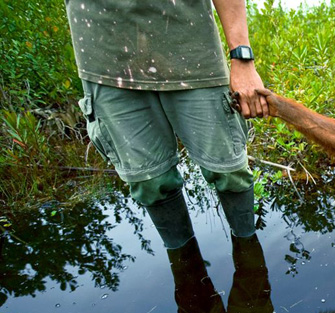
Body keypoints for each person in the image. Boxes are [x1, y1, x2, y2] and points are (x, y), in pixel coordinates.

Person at [64, 0, 269, 248]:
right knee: (149, 180)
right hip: (102, 57)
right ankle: (185, 265)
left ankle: (249, 252)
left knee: (228, 168)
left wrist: (242, 56)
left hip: (191, 47)